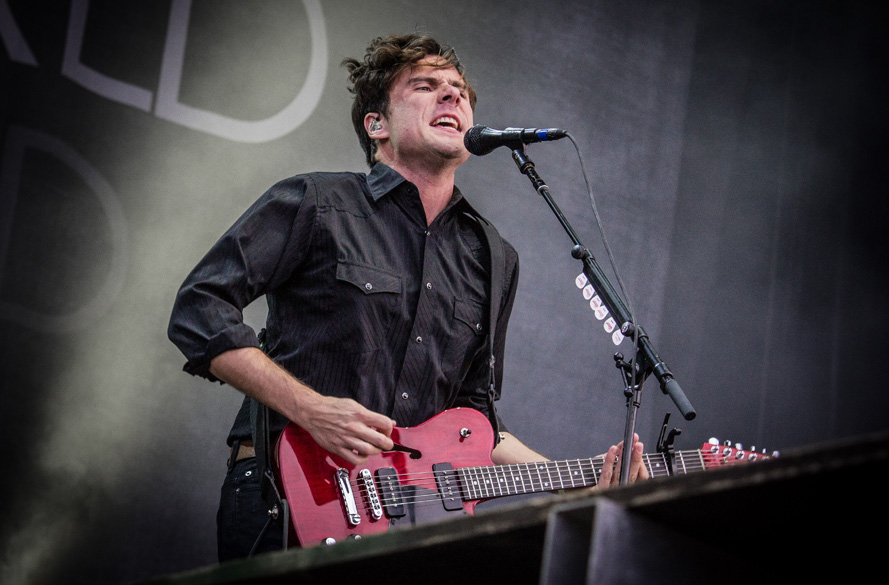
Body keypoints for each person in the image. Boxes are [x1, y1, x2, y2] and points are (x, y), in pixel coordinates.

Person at [168, 33, 648, 561]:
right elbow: (200, 306)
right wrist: (310, 409)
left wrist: (570, 482)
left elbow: (475, 417)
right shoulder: (317, 201)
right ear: (377, 125)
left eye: (459, 90)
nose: (452, 96)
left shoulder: (493, 257)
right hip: (282, 494)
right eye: (426, 85)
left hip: (409, 521)